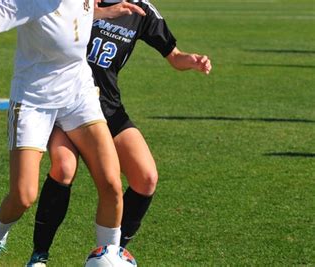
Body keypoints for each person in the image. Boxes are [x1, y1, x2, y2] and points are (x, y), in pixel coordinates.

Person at [0, 0, 146, 266]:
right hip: (34, 101)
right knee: (23, 196)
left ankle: (109, 258)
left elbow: (74, 18)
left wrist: (104, 12)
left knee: (112, 184)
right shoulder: (27, 2)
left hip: (79, 96)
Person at [27, 0, 212, 265]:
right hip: (65, 103)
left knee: (146, 177)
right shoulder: (81, 2)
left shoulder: (141, 11)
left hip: (107, 108)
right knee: (64, 167)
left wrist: (191, 61)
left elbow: (174, 56)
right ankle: (39, 256)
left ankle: (112, 254)